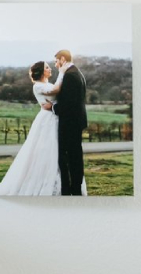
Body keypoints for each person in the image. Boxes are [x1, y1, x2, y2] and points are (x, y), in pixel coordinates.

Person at [0, 61, 70, 196]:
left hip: (55, 116)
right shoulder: (38, 86)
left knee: (56, 148)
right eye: (47, 67)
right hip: (47, 120)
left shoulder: (48, 84)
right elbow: (55, 91)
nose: (49, 68)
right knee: (46, 148)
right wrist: (62, 73)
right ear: (41, 71)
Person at [46, 50, 88, 195]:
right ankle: (75, 186)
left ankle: (71, 188)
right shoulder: (76, 72)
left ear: (62, 59)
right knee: (75, 155)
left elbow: (69, 102)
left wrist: (53, 107)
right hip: (76, 121)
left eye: (56, 61)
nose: (56, 65)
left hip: (70, 122)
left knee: (68, 156)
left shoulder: (70, 76)